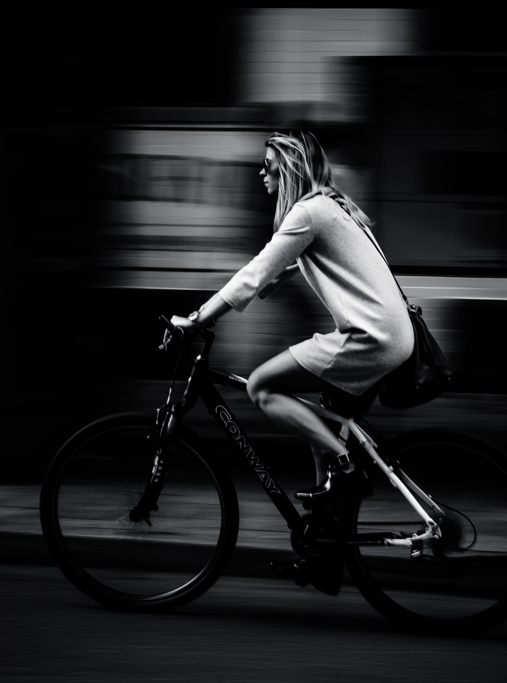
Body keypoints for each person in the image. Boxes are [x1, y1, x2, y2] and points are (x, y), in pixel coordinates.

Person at [169, 130, 414, 591]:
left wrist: (198, 317)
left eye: (267, 166)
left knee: (263, 385)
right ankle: (323, 555)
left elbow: (254, 273)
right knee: (322, 424)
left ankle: (345, 467)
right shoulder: (332, 206)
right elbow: (280, 270)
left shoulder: (308, 212)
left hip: (369, 338)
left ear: (289, 168)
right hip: (391, 337)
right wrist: (268, 284)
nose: (260, 174)